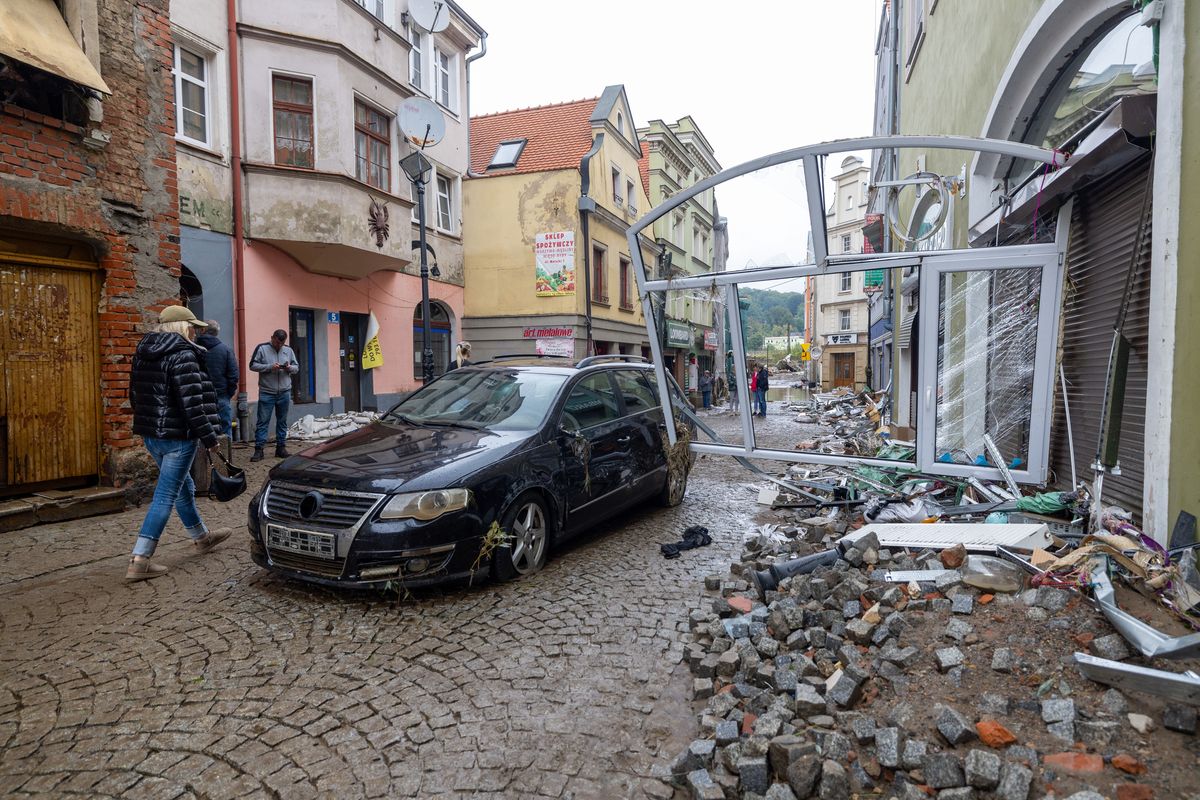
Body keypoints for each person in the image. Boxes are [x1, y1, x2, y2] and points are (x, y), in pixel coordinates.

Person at [126, 305, 228, 581]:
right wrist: (210, 439)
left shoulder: (143, 353)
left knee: (184, 486)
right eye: (192, 326)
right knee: (165, 495)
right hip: (178, 438)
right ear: (182, 327)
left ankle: (202, 536)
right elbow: (192, 405)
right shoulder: (184, 355)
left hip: (152, 435)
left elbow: (134, 396)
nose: (196, 331)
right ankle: (140, 559)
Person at [249, 329, 299, 462]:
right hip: (267, 392)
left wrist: (289, 368)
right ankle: (259, 450)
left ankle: (281, 448)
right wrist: (270, 367)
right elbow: (252, 365)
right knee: (263, 421)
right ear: (272, 338)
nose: (279, 346)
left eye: (281, 344)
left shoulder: (288, 350)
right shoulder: (262, 348)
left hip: (284, 392)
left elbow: (296, 367)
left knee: (282, 421)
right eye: (277, 343)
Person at [197, 320, 238, 437]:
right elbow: (233, 375)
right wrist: (228, 393)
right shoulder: (226, 350)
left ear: (202, 330)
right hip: (220, 395)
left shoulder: (193, 348)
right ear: (216, 333)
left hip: (198, 395)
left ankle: (203, 455)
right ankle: (226, 455)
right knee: (225, 429)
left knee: (201, 429)